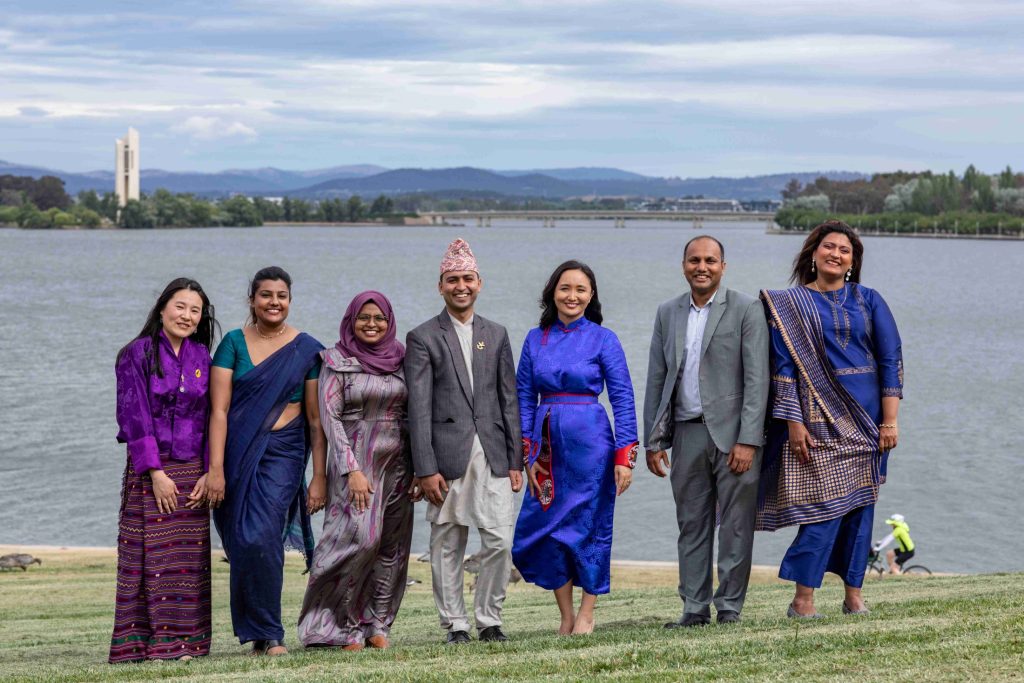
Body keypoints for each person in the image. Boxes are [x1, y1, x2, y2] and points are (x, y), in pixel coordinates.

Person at [758, 220, 903, 618]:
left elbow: (891, 359)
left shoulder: (868, 300)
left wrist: (890, 421)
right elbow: (783, 370)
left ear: (853, 262)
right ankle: (803, 600)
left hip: (869, 422)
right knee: (822, 509)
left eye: (844, 250)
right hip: (817, 421)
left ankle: (854, 596)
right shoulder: (789, 305)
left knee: (861, 506)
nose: (835, 254)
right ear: (813, 253)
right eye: (829, 247)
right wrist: (794, 423)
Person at [644, 236, 770, 627]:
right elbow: (657, 378)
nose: (702, 267)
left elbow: (757, 379)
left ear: (723, 267)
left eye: (710, 261)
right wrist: (653, 440)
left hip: (734, 438)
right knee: (691, 525)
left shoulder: (747, 308)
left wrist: (748, 439)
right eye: (694, 260)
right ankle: (694, 608)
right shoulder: (667, 312)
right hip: (686, 434)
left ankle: (729, 607)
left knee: (735, 525)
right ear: (684, 265)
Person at [404, 238, 523, 645]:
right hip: (445, 457)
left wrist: (516, 460)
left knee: (499, 539)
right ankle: (455, 624)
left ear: (479, 283)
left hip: (493, 453)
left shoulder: (497, 333)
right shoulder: (423, 337)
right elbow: (418, 408)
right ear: (440, 285)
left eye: (468, 279)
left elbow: (509, 400)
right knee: (447, 543)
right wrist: (425, 468)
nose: (461, 286)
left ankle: (490, 619)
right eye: (453, 280)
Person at [512, 260, 638, 636]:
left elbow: (623, 399)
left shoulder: (604, 339)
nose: (572, 296)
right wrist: (526, 452)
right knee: (548, 529)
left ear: (591, 295)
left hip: (592, 447)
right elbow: (523, 398)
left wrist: (625, 456)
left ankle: (587, 612)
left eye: (580, 289)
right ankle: (565, 615)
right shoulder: (535, 339)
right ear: (553, 292)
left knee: (590, 526)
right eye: (565, 288)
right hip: (545, 449)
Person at [208, 266, 326, 655]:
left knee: (262, 536)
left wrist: (319, 476)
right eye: (266, 295)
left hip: (284, 452)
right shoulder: (233, 343)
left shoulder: (306, 350)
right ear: (252, 300)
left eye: (282, 296)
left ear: (289, 300)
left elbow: (315, 419)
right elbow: (219, 411)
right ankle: (257, 633)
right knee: (242, 541)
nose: (274, 302)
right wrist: (215, 469)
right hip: (237, 451)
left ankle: (270, 631)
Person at [109, 278, 218, 663]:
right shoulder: (136, 353)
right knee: (150, 557)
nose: (187, 316)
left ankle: (187, 643)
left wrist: (210, 471)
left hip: (193, 473)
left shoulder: (202, 356)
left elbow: (211, 416)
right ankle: (144, 644)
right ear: (162, 308)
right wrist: (155, 473)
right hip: (152, 471)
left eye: (195, 310)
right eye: (180, 307)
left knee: (186, 561)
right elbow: (134, 414)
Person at [298, 291, 414, 650]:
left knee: (391, 546)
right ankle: (335, 625)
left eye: (379, 318)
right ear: (351, 321)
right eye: (364, 317)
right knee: (357, 539)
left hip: (398, 462)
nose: (371, 324)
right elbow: (329, 418)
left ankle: (377, 624)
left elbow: (415, 412)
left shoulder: (402, 359)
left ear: (389, 322)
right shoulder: (336, 360)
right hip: (356, 460)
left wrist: (421, 469)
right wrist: (351, 469)